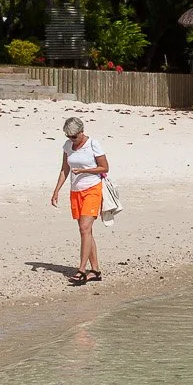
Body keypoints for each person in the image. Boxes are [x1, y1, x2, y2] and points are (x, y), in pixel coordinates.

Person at [49, 115, 109, 284]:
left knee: (84, 228)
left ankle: (82, 270)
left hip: (92, 189)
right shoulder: (68, 145)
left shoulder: (93, 144)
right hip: (75, 191)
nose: (71, 139)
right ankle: (95, 271)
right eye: (68, 136)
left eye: (74, 136)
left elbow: (105, 167)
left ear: (82, 132)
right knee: (86, 232)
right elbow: (64, 169)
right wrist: (56, 190)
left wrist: (85, 171)